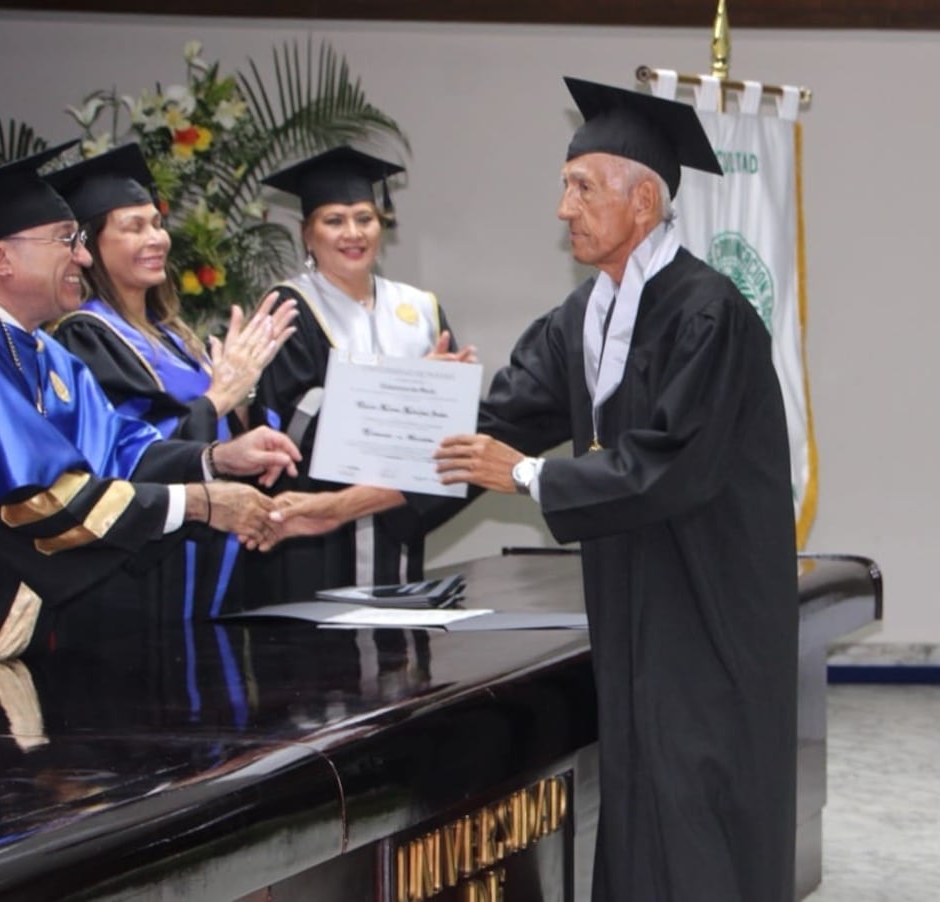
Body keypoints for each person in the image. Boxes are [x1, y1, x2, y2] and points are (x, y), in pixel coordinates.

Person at [265, 79, 799, 901]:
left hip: (706, 609)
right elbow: (489, 431)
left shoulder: (709, 315)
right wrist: (330, 506)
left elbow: (670, 468)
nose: (563, 208)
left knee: (698, 798)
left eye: (581, 186)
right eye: (565, 186)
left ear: (645, 199)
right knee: (638, 798)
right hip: (633, 608)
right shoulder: (584, 318)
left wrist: (524, 473)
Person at [0, 144, 301, 677]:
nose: (84, 257)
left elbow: (119, 448)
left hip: (5, 640)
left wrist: (218, 458)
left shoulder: (44, 353)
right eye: (66, 241)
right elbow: (34, 501)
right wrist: (197, 503)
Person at [45, 143, 297, 617]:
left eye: (157, 223)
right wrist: (218, 398)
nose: (156, 238)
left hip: (209, 553)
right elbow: (127, 455)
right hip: (145, 576)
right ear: (90, 244)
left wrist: (242, 397)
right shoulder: (84, 335)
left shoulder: (173, 336)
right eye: (134, 227)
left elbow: (216, 427)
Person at [250, 146, 474, 599]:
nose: (352, 233)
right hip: (318, 528)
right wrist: (414, 389)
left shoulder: (419, 308)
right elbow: (291, 421)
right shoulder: (289, 307)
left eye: (364, 218)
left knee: (401, 660)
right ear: (306, 234)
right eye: (334, 220)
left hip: (396, 520)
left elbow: (450, 429)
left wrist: (445, 395)